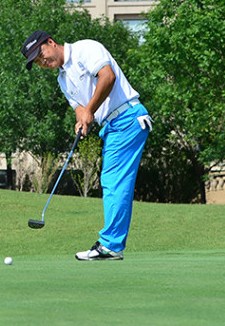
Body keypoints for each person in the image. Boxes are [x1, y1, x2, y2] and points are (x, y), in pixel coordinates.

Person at [21, 30, 151, 261]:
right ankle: (112, 244)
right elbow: (79, 108)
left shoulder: (85, 49)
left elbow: (107, 77)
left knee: (113, 182)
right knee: (112, 182)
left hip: (128, 117)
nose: (43, 62)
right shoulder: (63, 79)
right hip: (112, 126)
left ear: (51, 42)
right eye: (38, 62)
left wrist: (90, 110)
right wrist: (83, 118)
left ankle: (111, 246)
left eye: (42, 54)